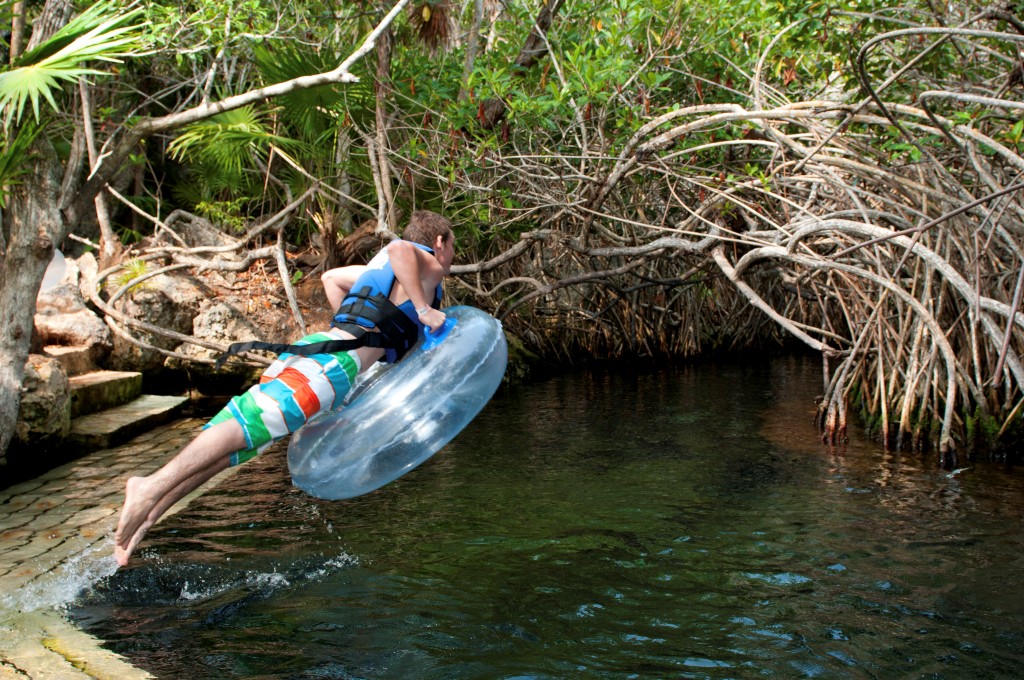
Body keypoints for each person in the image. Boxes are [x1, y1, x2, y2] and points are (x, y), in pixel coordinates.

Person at [113, 211, 456, 567]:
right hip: (330, 367)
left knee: (241, 441)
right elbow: (400, 247)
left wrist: (371, 332)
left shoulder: (380, 268)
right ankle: (150, 487)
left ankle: (148, 515)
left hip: (321, 353)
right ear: (438, 243)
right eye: (451, 249)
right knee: (245, 427)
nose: (450, 259)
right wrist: (421, 310)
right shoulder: (426, 267)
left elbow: (331, 279)